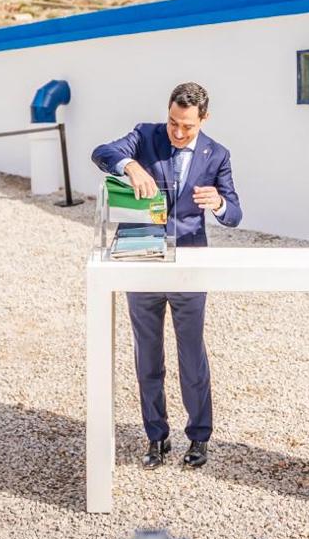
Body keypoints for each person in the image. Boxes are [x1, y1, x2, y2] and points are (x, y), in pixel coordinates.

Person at [91, 82, 242, 470]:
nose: (177, 133)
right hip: (140, 259)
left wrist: (220, 203)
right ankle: (156, 437)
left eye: (187, 127)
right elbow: (102, 152)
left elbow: (236, 213)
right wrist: (130, 164)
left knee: (192, 355)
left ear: (203, 119)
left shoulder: (218, 155)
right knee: (148, 355)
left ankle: (199, 438)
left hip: (190, 266)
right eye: (173, 122)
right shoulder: (144, 135)